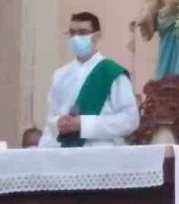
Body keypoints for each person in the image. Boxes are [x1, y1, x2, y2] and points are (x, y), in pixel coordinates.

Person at [40, 11, 139, 148]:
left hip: (101, 152)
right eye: (72, 33)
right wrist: (58, 123)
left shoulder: (111, 73)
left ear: (96, 36)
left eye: (82, 33)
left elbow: (130, 119)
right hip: (64, 152)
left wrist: (84, 124)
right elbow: (51, 118)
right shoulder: (60, 75)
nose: (75, 38)